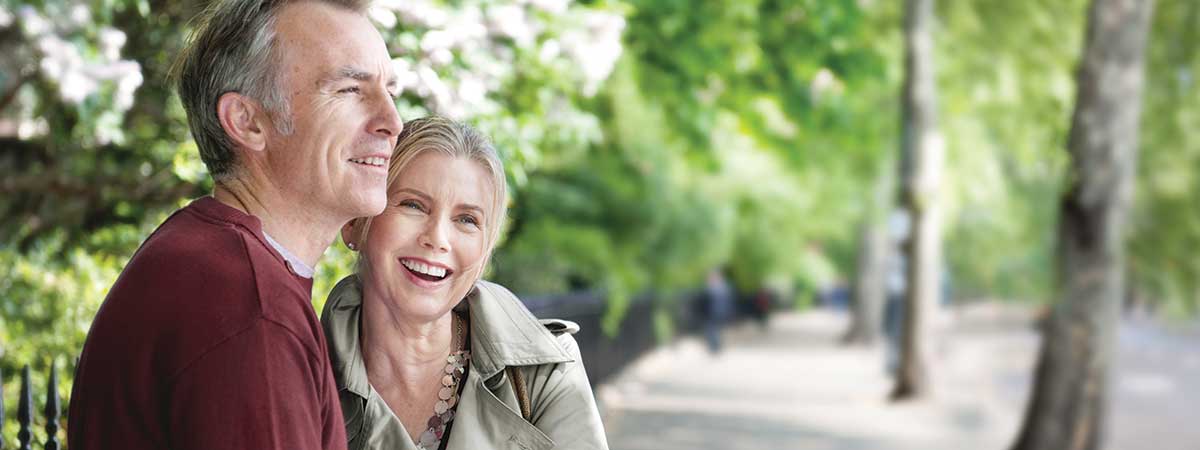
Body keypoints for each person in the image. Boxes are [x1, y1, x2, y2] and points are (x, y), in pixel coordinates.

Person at [67, 0, 403, 448]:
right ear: (247, 122)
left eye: (390, 91)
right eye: (349, 90)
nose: (392, 121)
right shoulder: (248, 306)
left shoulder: (214, 264)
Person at [322, 117, 609, 450]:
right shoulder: (300, 374)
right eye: (413, 205)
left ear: (485, 250)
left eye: (467, 220)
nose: (438, 238)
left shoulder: (545, 374)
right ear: (355, 223)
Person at [699, 268, 734, 354]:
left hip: (716, 311)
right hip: (712, 311)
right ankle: (715, 346)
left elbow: (728, 301)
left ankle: (715, 346)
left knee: (712, 329)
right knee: (713, 329)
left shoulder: (720, 287)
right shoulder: (719, 287)